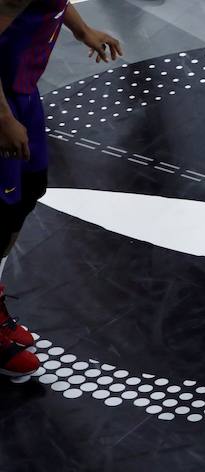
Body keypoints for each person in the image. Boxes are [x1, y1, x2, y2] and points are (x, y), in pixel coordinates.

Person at [0, 0, 122, 379]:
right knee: (1, 211)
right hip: (3, 104)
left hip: (21, 94)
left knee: (28, 192)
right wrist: (3, 120)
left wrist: (80, 29)